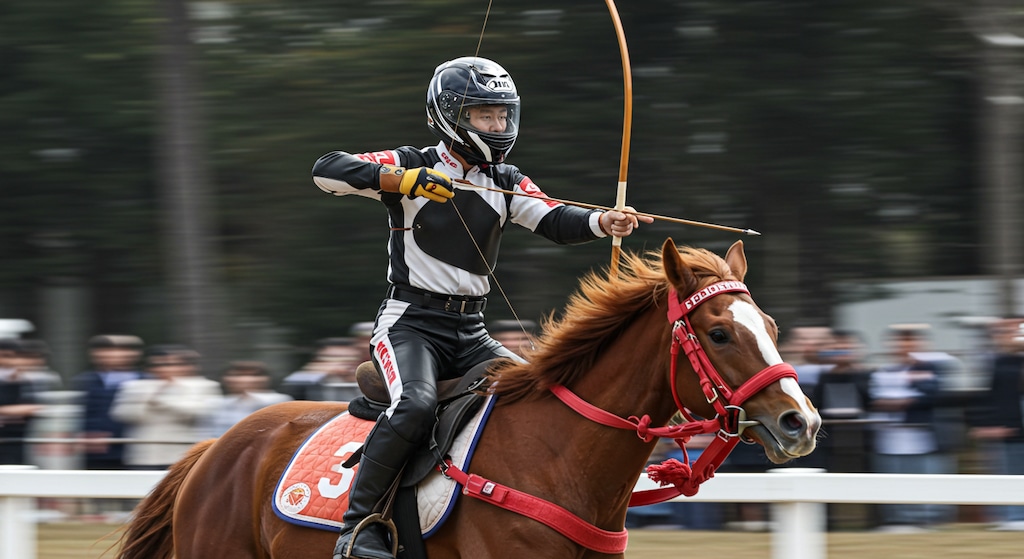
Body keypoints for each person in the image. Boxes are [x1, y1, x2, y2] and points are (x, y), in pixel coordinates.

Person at [311, 56, 651, 559]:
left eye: (501, 115)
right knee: (415, 405)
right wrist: (402, 182)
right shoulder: (411, 161)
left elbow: (554, 218)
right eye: (483, 115)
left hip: (471, 330)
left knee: (544, 399)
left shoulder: (506, 178)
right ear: (449, 115)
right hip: (410, 324)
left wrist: (604, 222)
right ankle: (358, 529)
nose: (496, 126)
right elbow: (328, 170)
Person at [868, 324, 956, 531]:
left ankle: (927, 520)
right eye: (900, 341)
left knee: (924, 477)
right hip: (889, 438)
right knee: (894, 478)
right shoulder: (882, 372)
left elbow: (931, 395)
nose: (905, 346)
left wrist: (903, 400)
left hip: (923, 437)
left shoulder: (933, 369)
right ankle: (899, 520)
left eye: (911, 341)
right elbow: (874, 399)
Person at [110, 345, 221, 469]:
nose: (163, 369)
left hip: (185, 454)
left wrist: (162, 401)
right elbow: (121, 414)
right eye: (157, 365)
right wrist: (152, 398)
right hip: (145, 454)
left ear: (186, 366)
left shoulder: (204, 386)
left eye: (170, 364)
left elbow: (201, 413)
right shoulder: (134, 386)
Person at [970, 318, 1024, 530]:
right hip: (1007, 429)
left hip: (1014, 427)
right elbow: (988, 395)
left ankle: (1016, 517)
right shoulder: (995, 361)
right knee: (1005, 471)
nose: (1009, 336)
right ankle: (1011, 517)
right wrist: (984, 424)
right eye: (1003, 332)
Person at [70, 335, 147, 470]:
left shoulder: (146, 380)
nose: (115, 355)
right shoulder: (86, 380)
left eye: (122, 350)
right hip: (96, 449)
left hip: (136, 446)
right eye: (107, 350)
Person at [203, 360, 292, 438]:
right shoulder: (215, 403)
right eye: (237, 375)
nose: (245, 379)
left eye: (254, 375)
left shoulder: (279, 401)